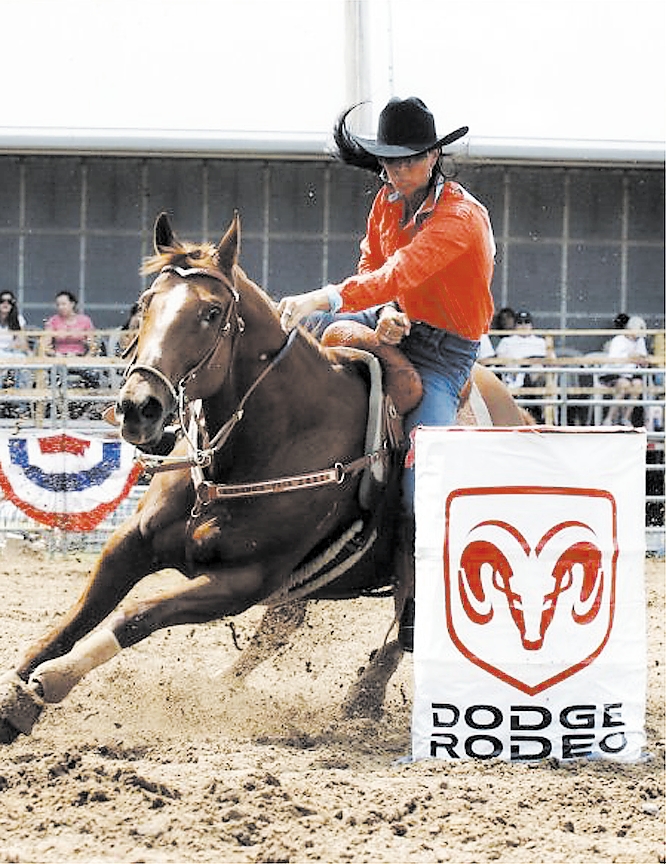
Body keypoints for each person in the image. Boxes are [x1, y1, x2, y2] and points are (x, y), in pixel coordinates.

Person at [276, 96, 496, 649]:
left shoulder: (460, 218)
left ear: (434, 157)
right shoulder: (386, 201)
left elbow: (401, 269)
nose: (397, 171)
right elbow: (375, 269)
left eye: (409, 160)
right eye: (390, 161)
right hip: (395, 320)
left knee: (423, 483)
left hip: (444, 354)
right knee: (302, 345)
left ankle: (420, 596)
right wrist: (388, 313)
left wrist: (324, 296)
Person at [44, 290, 99, 417]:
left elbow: (93, 346)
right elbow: (46, 347)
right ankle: (55, 410)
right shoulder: (53, 321)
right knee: (51, 378)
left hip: (79, 358)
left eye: (63, 304)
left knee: (93, 376)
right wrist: (56, 354)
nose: (60, 307)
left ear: (72, 304)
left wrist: (85, 359)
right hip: (59, 358)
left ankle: (84, 409)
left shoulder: (85, 320)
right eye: (58, 304)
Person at [494, 309, 548, 422]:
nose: (523, 325)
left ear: (531, 325)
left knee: (537, 370)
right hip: (514, 375)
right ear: (515, 325)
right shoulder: (507, 341)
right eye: (520, 322)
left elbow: (548, 360)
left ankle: (539, 412)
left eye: (527, 322)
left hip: (535, 376)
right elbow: (500, 361)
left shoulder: (540, 342)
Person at [601, 315, 649, 427]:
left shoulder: (640, 341)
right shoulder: (618, 340)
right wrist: (629, 356)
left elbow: (644, 360)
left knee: (638, 385)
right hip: (614, 373)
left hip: (631, 374)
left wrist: (641, 360)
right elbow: (613, 362)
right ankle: (609, 418)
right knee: (624, 384)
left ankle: (626, 418)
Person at [0, 290, 32, 417]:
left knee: (23, 363)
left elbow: (23, 343)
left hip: (12, 353)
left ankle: (21, 406)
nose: (5, 304)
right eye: (2, 301)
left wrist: (13, 346)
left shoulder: (18, 319)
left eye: (9, 301)